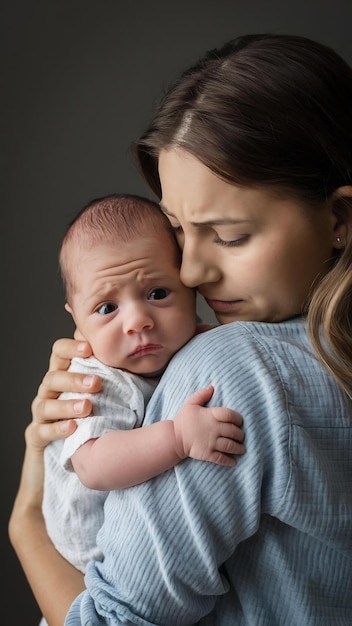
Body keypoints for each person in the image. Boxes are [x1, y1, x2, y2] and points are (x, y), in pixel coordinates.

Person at [9, 33, 352, 626]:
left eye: (230, 235)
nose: (191, 270)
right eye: (177, 228)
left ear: (341, 218)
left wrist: (28, 522)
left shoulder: (229, 369)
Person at [42, 192, 244, 582]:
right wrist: (177, 437)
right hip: (87, 561)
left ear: (191, 289)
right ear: (77, 319)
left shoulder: (185, 343)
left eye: (158, 294)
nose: (138, 320)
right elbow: (94, 465)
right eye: (106, 308)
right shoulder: (96, 381)